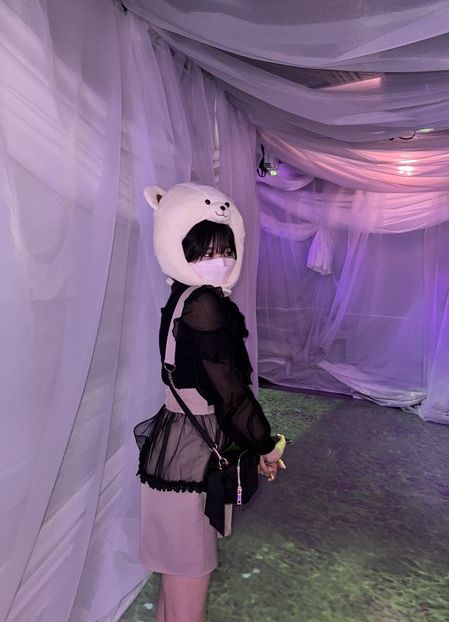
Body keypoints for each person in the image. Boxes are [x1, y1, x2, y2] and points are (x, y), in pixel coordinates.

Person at [134, 183, 286, 622]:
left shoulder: (181, 295)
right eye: (204, 251)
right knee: (188, 591)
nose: (219, 260)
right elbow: (230, 394)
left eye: (226, 250)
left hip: (174, 451)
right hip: (192, 460)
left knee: (176, 582)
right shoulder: (202, 303)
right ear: (180, 249)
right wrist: (265, 445)